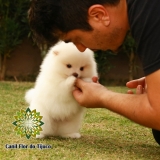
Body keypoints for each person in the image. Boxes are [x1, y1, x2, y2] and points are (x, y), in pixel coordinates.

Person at [28, 0, 160, 145]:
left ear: (98, 15)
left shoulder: (150, 15)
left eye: (76, 39)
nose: (81, 49)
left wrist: (103, 97)